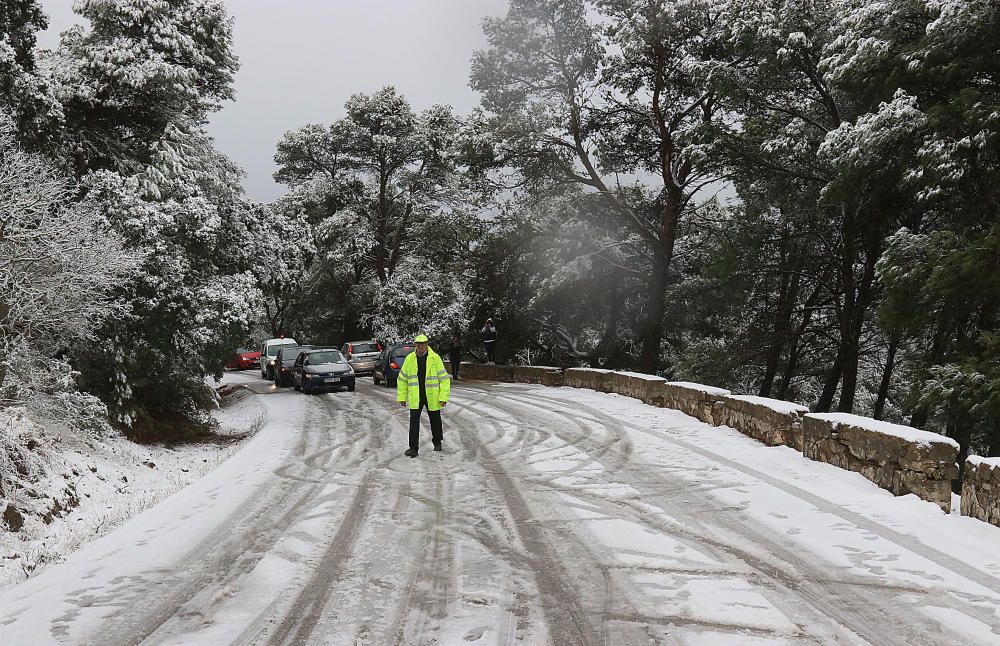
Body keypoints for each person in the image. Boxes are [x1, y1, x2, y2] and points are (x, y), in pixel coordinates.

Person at [397, 334, 450, 457]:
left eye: (423, 343)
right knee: (414, 422)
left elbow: (444, 379)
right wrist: (402, 397)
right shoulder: (409, 359)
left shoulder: (435, 358)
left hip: (431, 395)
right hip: (416, 396)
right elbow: (402, 379)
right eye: (418, 344)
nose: (420, 346)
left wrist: (443, 397)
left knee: (435, 420)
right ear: (416, 344)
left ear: (427, 344)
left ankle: (437, 442)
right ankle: (413, 448)